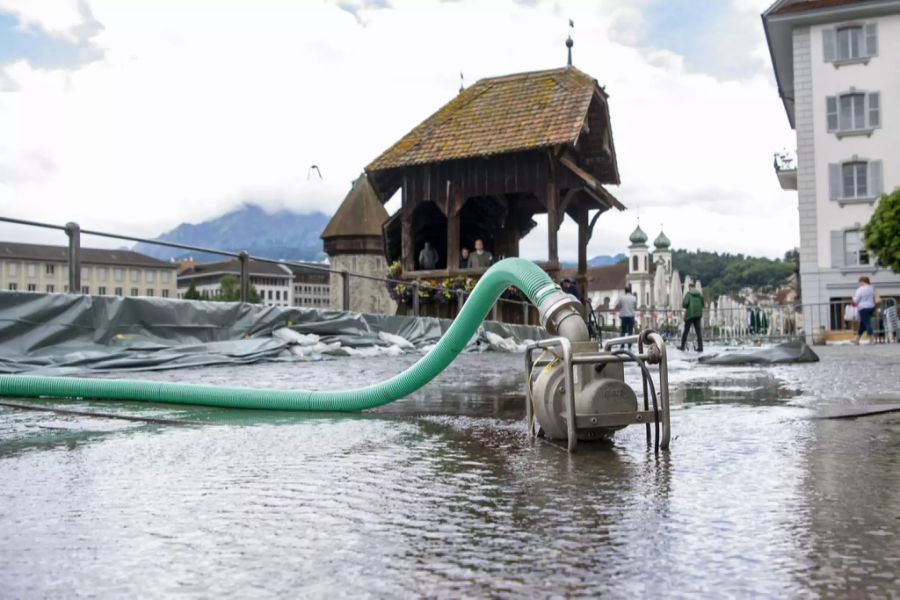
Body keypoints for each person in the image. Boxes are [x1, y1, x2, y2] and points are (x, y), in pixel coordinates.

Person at [851, 276, 876, 345]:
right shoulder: (872, 288)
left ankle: (872, 339)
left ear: (862, 281)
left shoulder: (860, 289)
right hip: (871, 307)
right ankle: (857, 339)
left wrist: (853, 300)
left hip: (863, 308)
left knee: (867, 323)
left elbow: (856, 299)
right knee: (862, 324)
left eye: (859, 282)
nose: (859, 283)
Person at [680, 281, 704, 352]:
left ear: (689, 287)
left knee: (686, 331)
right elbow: (703, 304)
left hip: (690, 315)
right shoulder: (699, 294)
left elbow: (684, 304)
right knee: (698, 332)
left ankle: (682, 346)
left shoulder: (688, 294)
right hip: (698, 315)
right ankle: (700, 347)